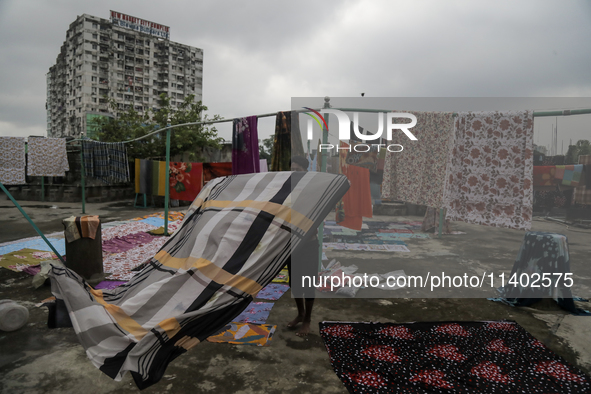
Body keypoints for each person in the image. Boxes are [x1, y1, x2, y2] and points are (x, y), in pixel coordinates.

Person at [287, 155, 317, 336]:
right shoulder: (290, 189)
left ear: (306, 171)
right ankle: (300, 314)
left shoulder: (313, 189)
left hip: (309, 243)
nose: (293, 173)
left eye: (297, 170)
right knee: (295, 283)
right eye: (292, 169)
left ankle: (307, 320)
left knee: (308, 284)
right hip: (292, 244)